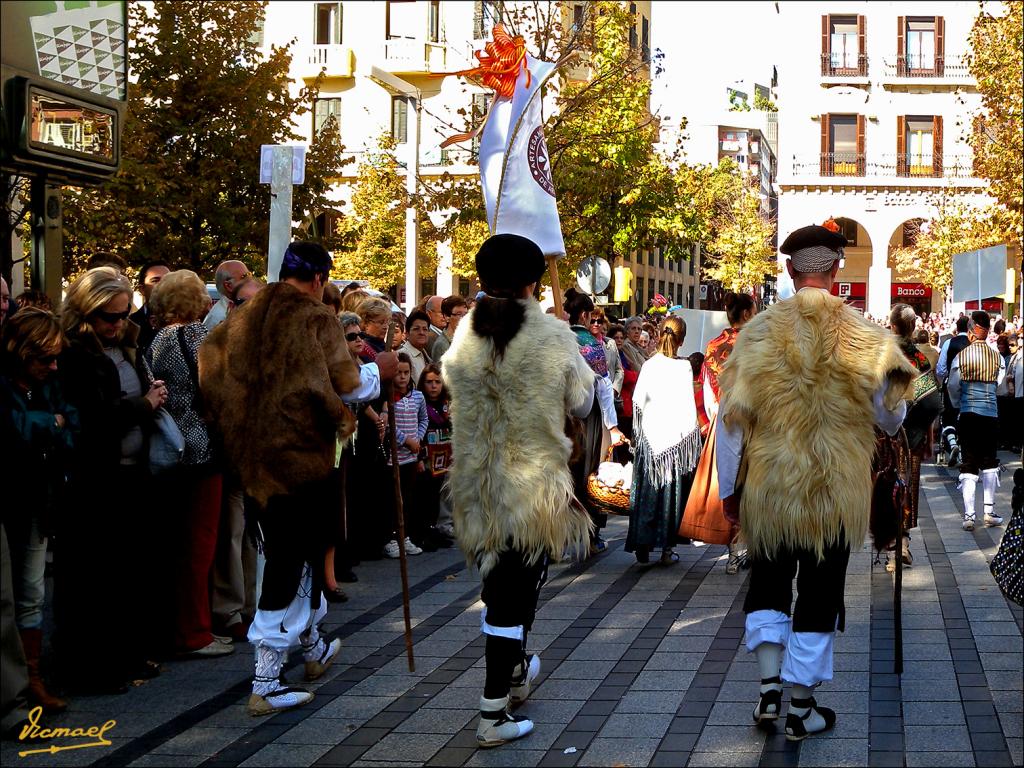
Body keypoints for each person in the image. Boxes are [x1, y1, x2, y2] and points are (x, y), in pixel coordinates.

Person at [716, 223, 914, 741]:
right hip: (833, 490)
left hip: (771, 488)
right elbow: (894, 417)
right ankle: (802, 707)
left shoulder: (755, 334)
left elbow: (730, 425)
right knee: (820, 591)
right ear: (835, 271)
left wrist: (729, 495)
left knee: (768, 584)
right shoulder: (867, 336)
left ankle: (768, 690)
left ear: (789, 270)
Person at [200, 242, 397, 716]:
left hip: (255, 456)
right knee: (289, 557)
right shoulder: (314, 317)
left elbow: (210, 359)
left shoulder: (244, 315)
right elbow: (345, 384)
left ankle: (311, 647)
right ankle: (266, 681)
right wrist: (380, 370)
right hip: (299, 458)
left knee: (303, 547)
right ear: (316, 279)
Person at [443, 234, 596, 748]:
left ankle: (513, 673)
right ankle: (492, 713)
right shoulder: (553, 334)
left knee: (502, 587)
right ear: (532, 281)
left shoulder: (465, 331)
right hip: (531, 488)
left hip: (476, 484)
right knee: (512, 595)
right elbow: (580, 402)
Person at [56, 267, 168, 692]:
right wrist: (143, 404)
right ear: (87, 311)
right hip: (95, 480)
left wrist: (148, 395)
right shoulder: (76, 355)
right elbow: (94, 420)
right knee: (93, 579)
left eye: (124, 315)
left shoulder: (125, 347)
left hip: (130, 474)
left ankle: (125, 656)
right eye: (109, 316)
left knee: (126, 574)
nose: (118, 324)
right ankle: (91, 666)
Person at [147, 270, 232, 659]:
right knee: (200, 544)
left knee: (179, 543)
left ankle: (183, 627)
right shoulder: (197, 336)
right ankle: (195, 632)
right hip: (201, 448)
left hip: (170, 446)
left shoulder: (159, 339)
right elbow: (217, 388)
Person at [0, 308, 76, 713]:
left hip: (37, 498)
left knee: (31, 591)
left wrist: (50, 425)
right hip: (11, 496)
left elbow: (72, 425)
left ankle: (32, 678)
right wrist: (52, 424)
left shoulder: (50, 383)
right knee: (9, 595)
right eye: (43, 358)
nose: (52, 365)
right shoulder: (5, 384)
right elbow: (15, 431)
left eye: (54, 357)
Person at [626, 316, 702, 566]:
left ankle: (643, 546)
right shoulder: (684, 368)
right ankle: (667, 550)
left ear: (659, 335)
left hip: (650, 439)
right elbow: (687, 406)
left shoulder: (649, 365)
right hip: (675, 443)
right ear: (681, 340)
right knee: (670, 496)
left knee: (648, 493)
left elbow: (638, 401)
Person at [565, 288, 626, 554]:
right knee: (589, 472)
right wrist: (612, 427)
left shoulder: (558, 340)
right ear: (587, 315)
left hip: (560, 416)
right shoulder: (592, 344)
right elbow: (603, 388)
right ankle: (590, 535)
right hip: (588, 420)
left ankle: (559, 535)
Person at [701, 291, 757, 574]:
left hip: (724, 420)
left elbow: (708, 389)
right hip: (754, 422)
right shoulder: (757, 343)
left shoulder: (713, 346)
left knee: (729, 481)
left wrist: (715, 417)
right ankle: (751, 547)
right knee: (753, 482)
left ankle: (733, 552)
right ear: (747, 314)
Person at [889, 303, 942, 568]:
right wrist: (923, 433)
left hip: (882, 439)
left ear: (893, 326)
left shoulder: (883, 354)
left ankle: (890, 544)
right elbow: (932, 404)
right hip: (912, 438)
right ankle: (903, 543)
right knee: (906, 486)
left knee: (884, 488)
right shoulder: (918, 358)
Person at [947, 311, 1006, 531]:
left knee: (969, 462)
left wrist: (958, 403)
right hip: (990, 414)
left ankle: (969, 515)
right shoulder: (996, 357)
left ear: (972, 331)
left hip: (969, 414)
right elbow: (999, 388)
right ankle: (989, 511)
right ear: (988, 331)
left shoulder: (961, 357)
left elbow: (953, 386)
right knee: (990, 461)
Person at [383, 353, 427, 558]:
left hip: (411, 457)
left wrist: (417, 438)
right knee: (394, 500)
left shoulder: (417, 396)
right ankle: (392, 538)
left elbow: (423, 419)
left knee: (408, 499)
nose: (402, 377)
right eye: (398, 373)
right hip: (395, 458)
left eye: (406, 373)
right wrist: (405, 440)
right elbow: (389, 425)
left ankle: (405, 536)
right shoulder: (389, 398)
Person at [417, 364, 455, 550]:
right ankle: (424, 531)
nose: (433, 386)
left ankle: (438, 528)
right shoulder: (420, 402)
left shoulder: (448, 404)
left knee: (441, 495)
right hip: (427, 457)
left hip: (446, 455)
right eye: (429, 382)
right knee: (426, 496)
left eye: (437, 382)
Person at [936, 315, 971, 466]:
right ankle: (963, 453)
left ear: (957, 328)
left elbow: (941, 368)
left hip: (950, 385)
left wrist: (946, 377)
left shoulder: (949, 343)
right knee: (964, 418)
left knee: (948, 417)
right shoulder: (973, 344)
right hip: (969, 386)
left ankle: (952, 443)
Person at [129, 260, 171, 353]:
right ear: (142, 289)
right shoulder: (130, 325)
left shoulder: (187, 322)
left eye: (168, 280)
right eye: (156, 280)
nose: (164, 285)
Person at [204, 260, 256, 330]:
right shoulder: (218, 318)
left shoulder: (241, 307)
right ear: (228, 286)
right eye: (245, 276)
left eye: (250, 274)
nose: (251, 280)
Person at [398, 309, 433, 384]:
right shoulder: (402, 355)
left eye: (425, 329)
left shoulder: (424, 354)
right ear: (407, 333)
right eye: (416, 329)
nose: (421, 332)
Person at [430, 295, 469, 361]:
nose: (464, 318)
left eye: (466, 314)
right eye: (459, 314)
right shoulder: (442, 345)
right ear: (446, 317)